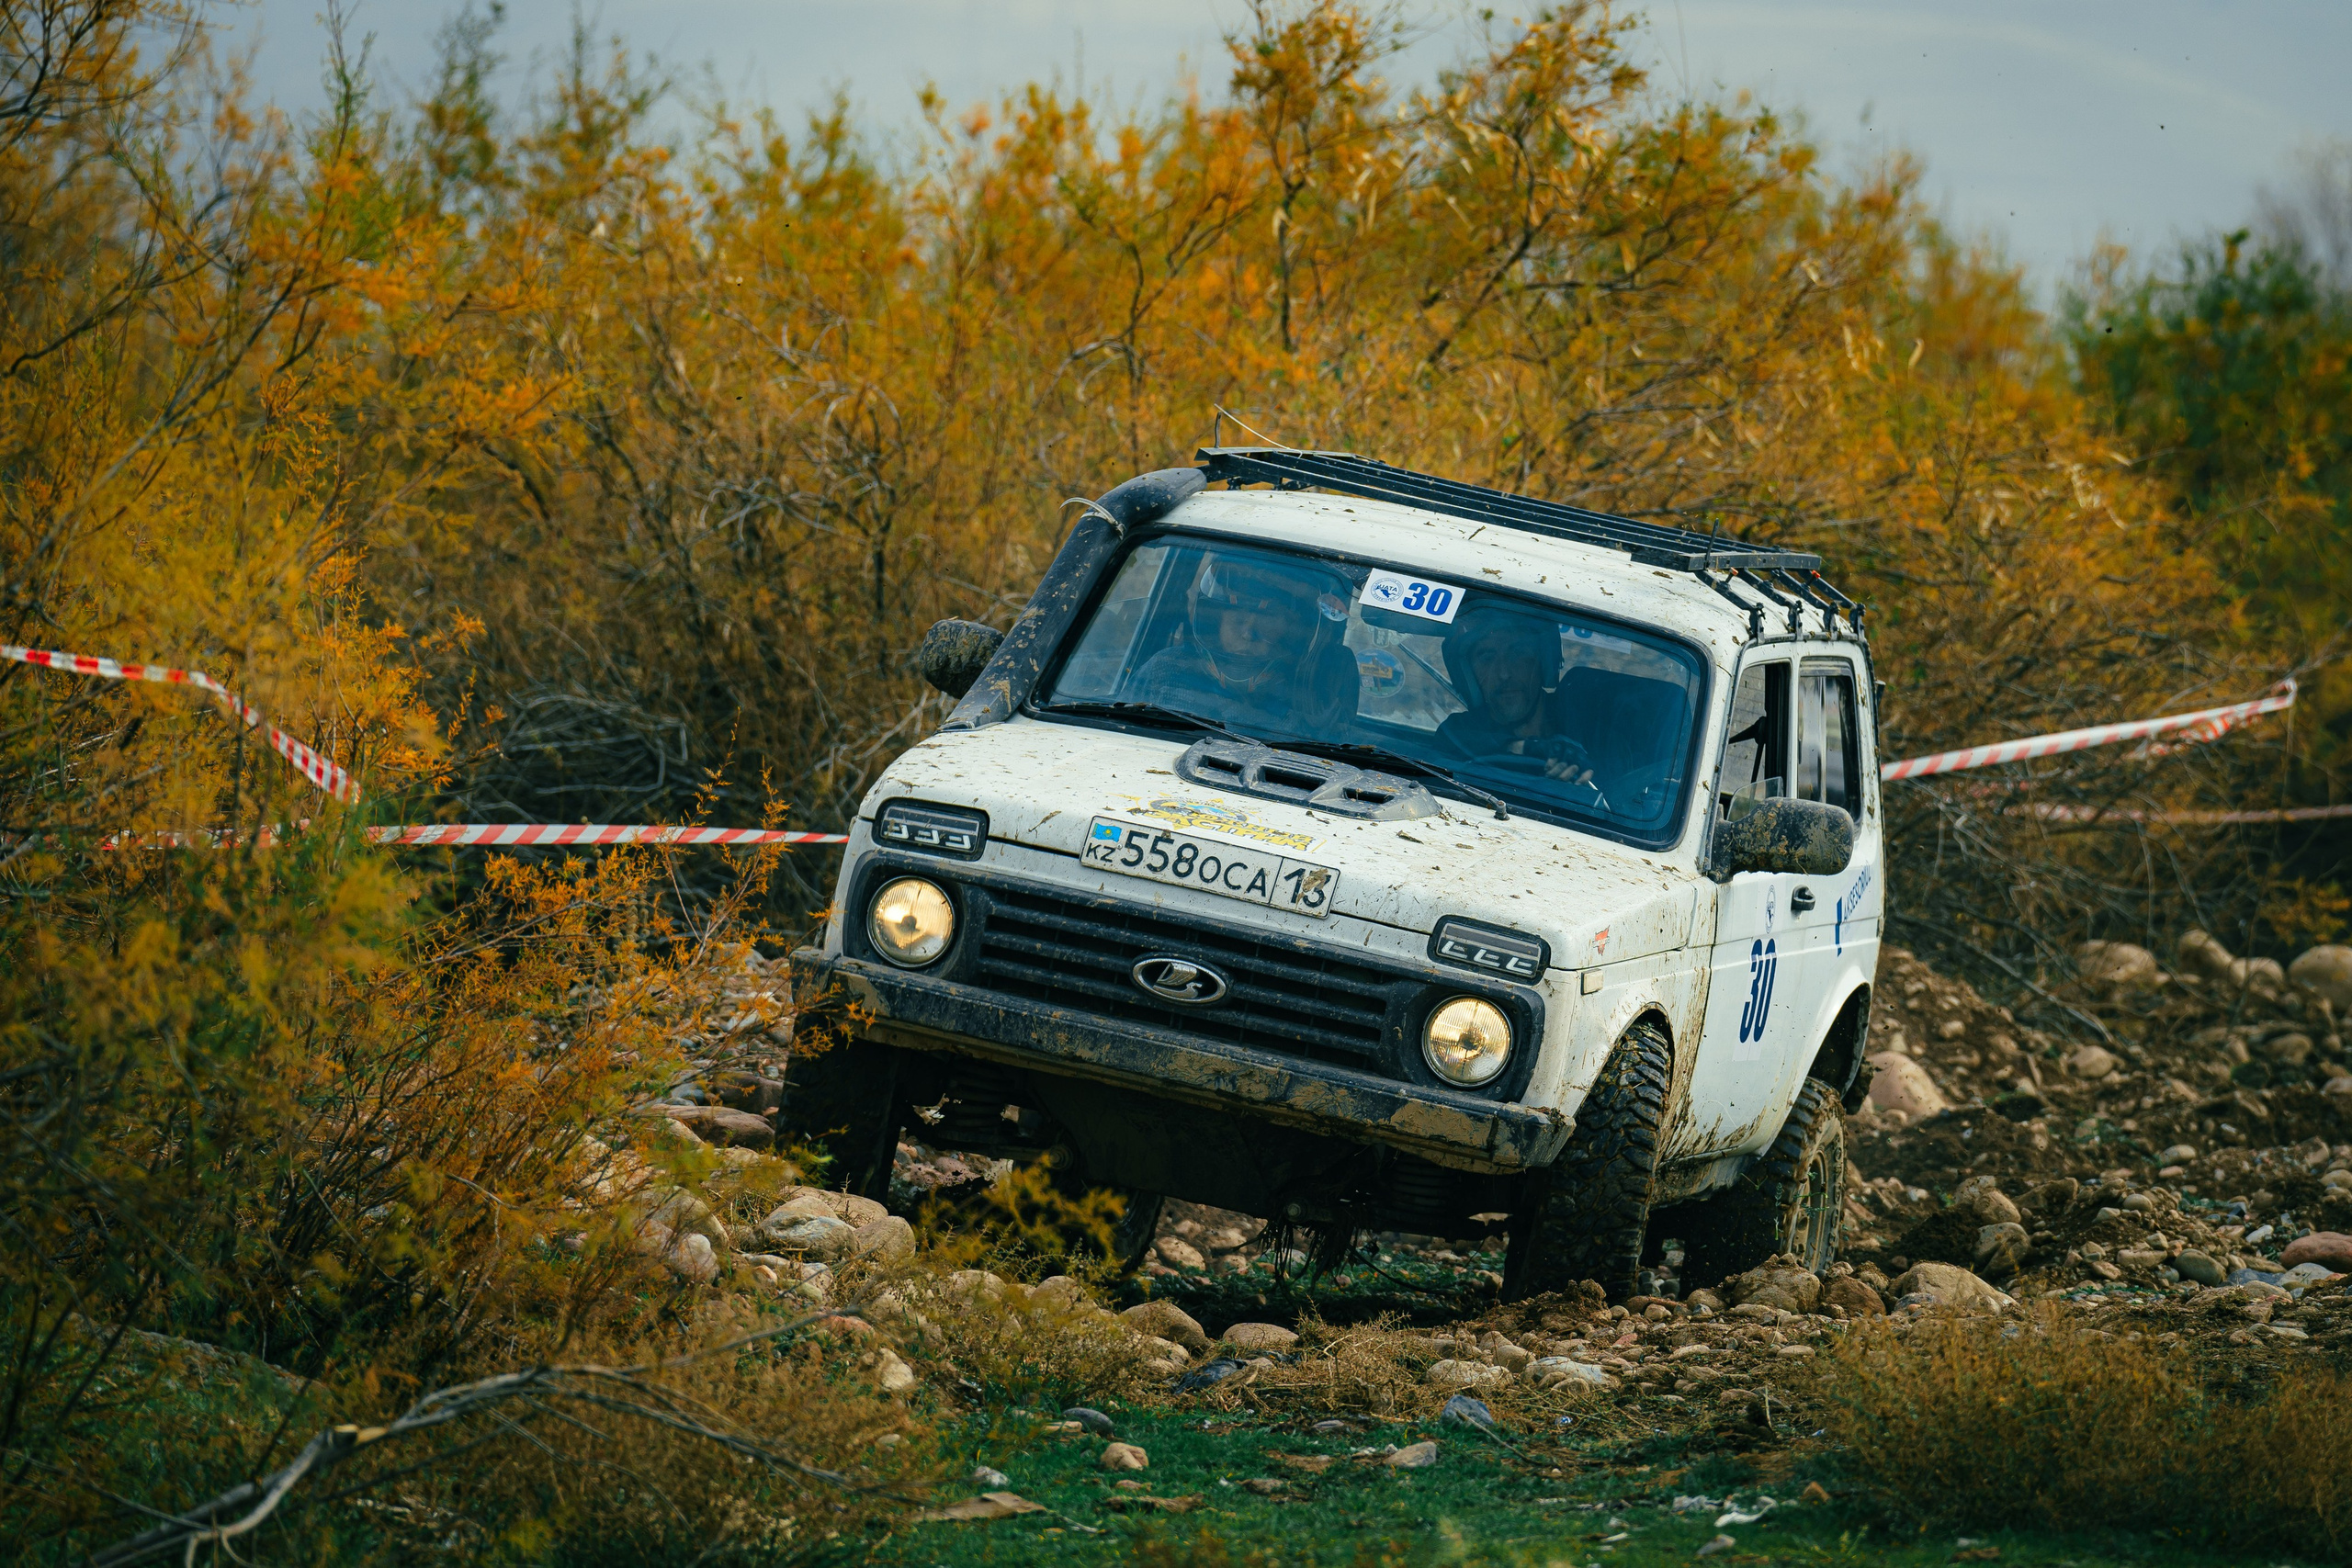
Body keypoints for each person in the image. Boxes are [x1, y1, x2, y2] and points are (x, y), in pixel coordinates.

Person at [1132, 551, 1355, 737]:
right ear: (1216, 619)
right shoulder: (1166, 670)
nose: (1248, 633)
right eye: (1237, 615)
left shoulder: (1310, 704)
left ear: (1291, 628)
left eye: (1267, 618)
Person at [1436, 605, 1594, 784]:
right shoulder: (1458, 731)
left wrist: (1581, 772)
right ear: (1468, 675)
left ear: (1544, 663)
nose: (1504, 673)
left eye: (1518, 653)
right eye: (1487, 658)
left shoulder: (1584, 725)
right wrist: (1527, 748)